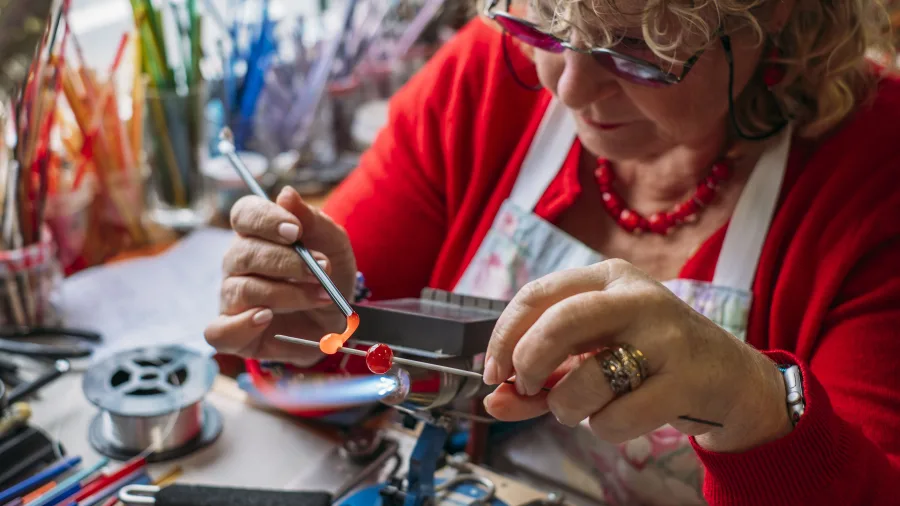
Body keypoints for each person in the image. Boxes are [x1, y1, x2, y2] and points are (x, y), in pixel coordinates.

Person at [204, 0, 900, 504]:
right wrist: (305, 322)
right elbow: (306, 351)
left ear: (772, 12)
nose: (567, 88)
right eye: (541, 24)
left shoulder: (878, 172)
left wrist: (750, 407)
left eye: (632, 48)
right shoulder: (487, 80)